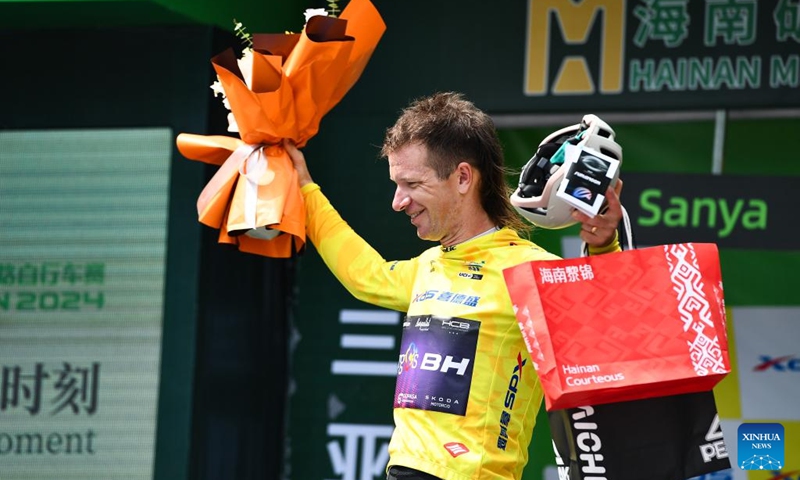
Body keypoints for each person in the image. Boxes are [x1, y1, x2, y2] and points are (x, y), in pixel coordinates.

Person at [284, 92, 624, 480]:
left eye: (411, 183)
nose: (398, 201)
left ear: (463, 177)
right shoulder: (428, 266)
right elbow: (365, 275)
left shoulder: (531, 269)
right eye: (397, 184)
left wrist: (603, 246)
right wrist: (305, 189)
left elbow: (609, 337)